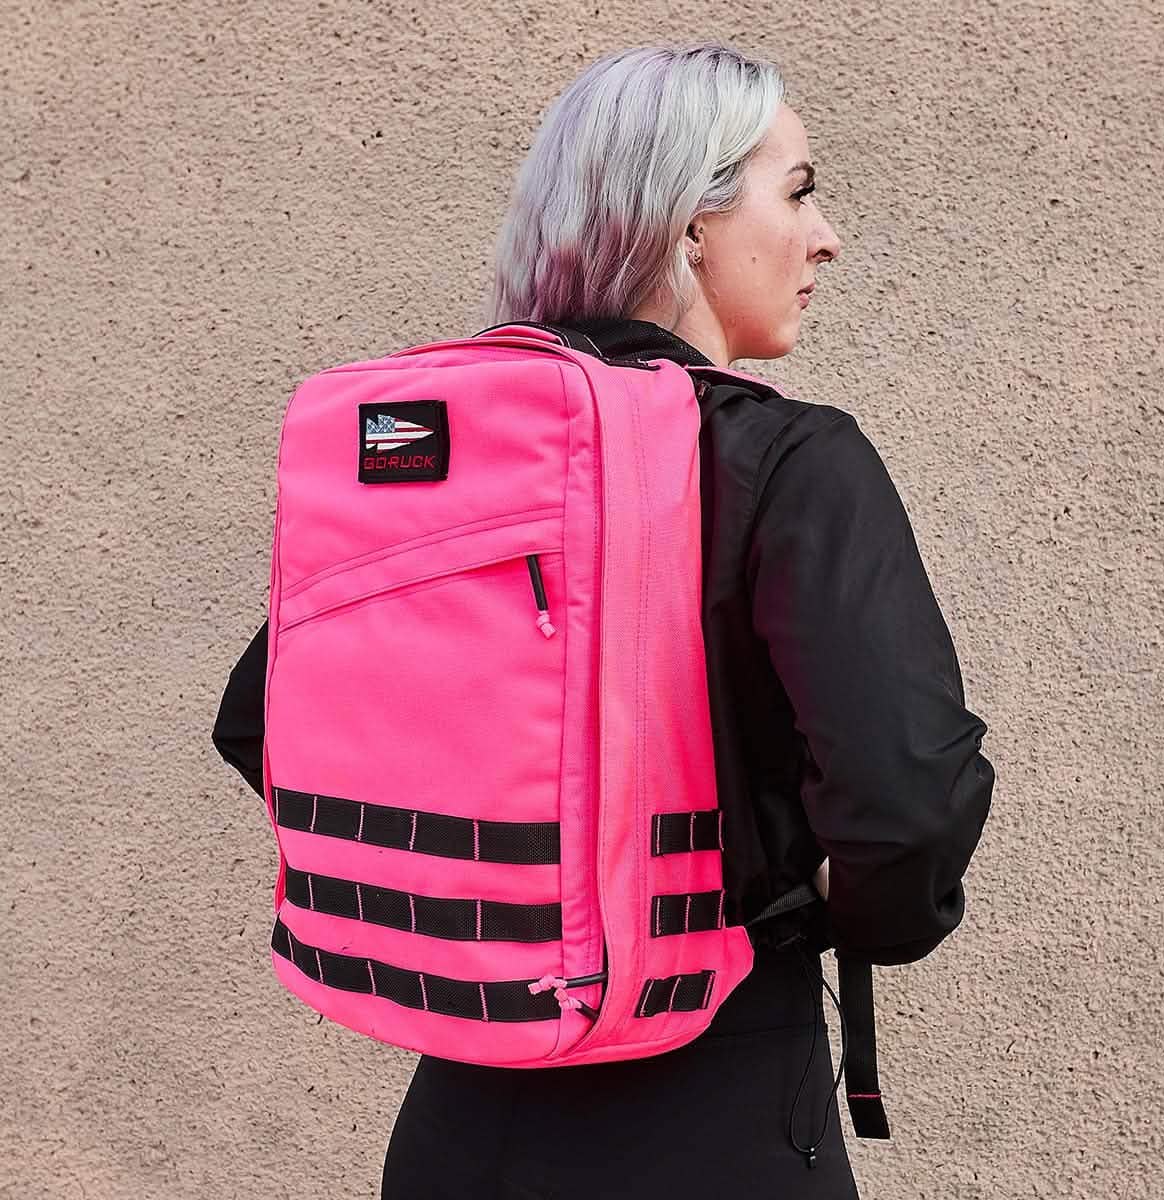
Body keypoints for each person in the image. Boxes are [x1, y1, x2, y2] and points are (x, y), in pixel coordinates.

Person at [212, 41, 996, 1200]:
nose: (826, 235)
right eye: (798, 191)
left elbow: (256, 722)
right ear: (689, 227)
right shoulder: (790, 458)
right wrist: (798, 899)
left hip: (458, 1128)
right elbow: (907, 810)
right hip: (713, 1112)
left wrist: (500, 875)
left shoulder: (467, 457)